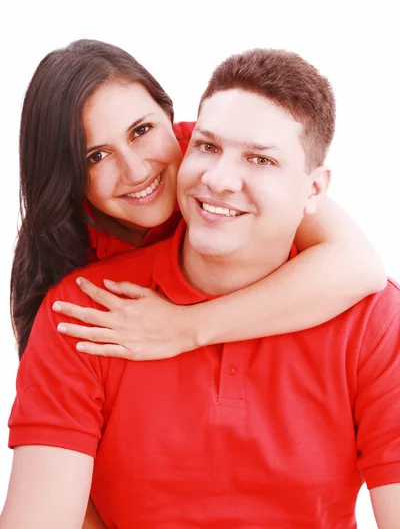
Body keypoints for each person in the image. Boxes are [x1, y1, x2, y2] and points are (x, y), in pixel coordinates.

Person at [2, 48, 398, 528]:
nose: (136, 170)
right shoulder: (83, 300)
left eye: (142, 131)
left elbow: (359, 265)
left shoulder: (370, 318)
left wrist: (186, 327)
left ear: (174, 125)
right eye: (96, 155)